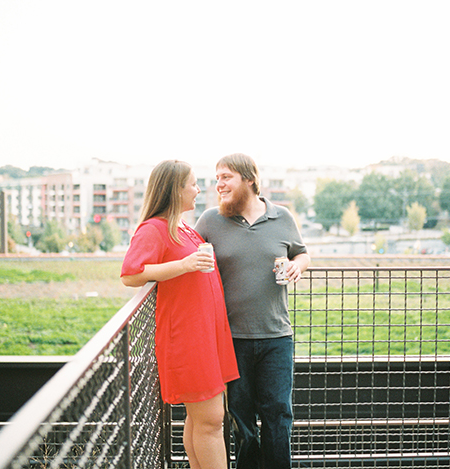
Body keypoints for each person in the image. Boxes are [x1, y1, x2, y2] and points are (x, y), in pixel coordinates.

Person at [121, 160, 239, 469]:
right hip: (188, 338)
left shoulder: (183, 227)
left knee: (200, 421)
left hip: (204, 335)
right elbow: (131, 274)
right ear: (176, 189)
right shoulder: (154, 228)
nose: (199, 189)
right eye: (193, 184)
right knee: (211, 422)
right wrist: (184, 265)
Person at [195, 153, 310, 469]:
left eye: (226, 177)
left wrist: (296, 266)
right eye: (217, 178)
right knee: (241, 419)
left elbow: (302, 253)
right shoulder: (209, 221)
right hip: (231, 340)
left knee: (278, 416)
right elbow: (185, 253)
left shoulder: (282, 217)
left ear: (249, 178)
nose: (219, 184)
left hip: (277, 337)